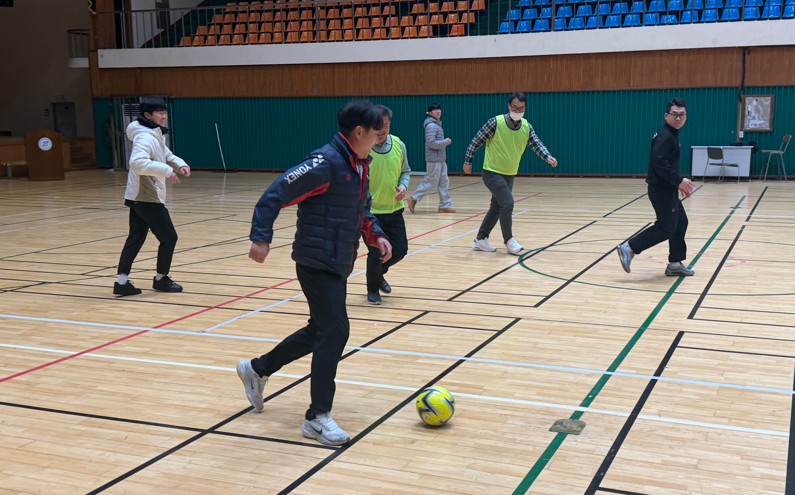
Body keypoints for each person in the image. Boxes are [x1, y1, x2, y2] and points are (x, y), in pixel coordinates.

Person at [236, 100, 393, 446]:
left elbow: (361, 210)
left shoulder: (359, 165)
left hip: (338, 261)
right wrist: (261, 237)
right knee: (335, 331)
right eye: (377, 132)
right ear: (359, 132)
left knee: (320, 330)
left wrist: (376, 235)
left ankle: (257, 368)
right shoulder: (325, 163)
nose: (381, 137)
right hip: (316, 261)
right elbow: (275, 193)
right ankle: (317, 417)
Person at [463, 92, 558, 255]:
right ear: (509, 106)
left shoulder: (526, 127)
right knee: (507, 203)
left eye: (521, 108)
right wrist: (468, 161)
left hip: (509, 173)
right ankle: (509, 240)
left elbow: (536, 144)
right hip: (492, 172)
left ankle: (480, 239)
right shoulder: (495, 122)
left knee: (496, 207)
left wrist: (547, 156)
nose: (517, 111)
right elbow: (476, 141)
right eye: (514, 107)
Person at [114, 97, 190, 296]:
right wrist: (167, 171)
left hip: (137, 196)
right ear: (148, 115)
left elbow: (166, 154)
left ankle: (122, 282)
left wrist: (179, 164)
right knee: (169, 237)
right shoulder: (145, 137)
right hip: (146, 196)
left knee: (136, 237)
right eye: (160, 113)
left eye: (165, 112)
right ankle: (161, 279)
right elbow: (137, 162)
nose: (164, 116)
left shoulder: (154, 132)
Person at [617, 98, 695, 277]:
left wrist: (677, 183)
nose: (678, 118)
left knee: (680, 222)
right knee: (667, 227)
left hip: (667, 188)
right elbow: (659, 163)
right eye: (674, 114)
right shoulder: (664, 136)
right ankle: (629, 248)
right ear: (666, 116)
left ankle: (675, 263)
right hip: (660, 189)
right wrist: (678, 181)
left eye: (682, 115)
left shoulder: (671, 133)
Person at [365, 105, 411, 305]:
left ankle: (378, 274)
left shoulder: (399, 144)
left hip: (394, 209)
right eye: (377, 125)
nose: (381, 129)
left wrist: (403, 186)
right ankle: (372, 289)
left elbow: (406, 171)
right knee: (376, 252)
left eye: (385, 125)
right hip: (371, 213)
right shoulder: (364, 148)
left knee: (400, 249)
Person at [407, 103, 455, 214]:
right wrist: (445, 142)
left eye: (439, 109)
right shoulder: (431, 126)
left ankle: (445, 205)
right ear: (429, 113)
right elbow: (431, 143)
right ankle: (413, 198)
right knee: (431, 182)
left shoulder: (436, 125)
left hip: (440, 159)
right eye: (434, 110)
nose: (438, 111)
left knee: (444, 182)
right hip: (434, 159)